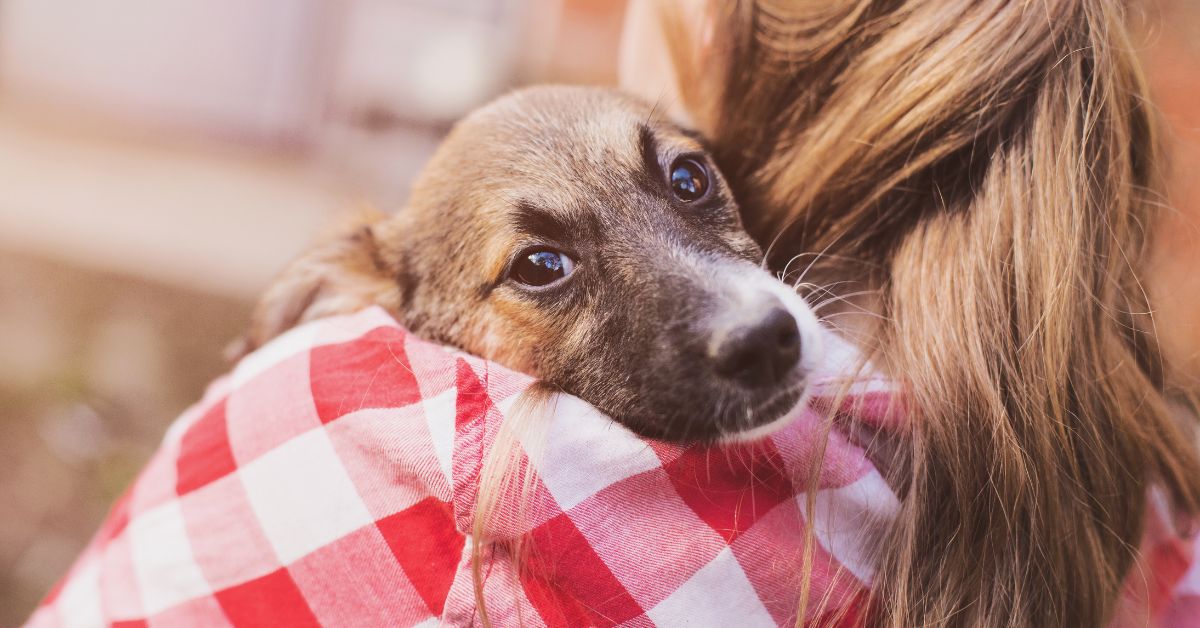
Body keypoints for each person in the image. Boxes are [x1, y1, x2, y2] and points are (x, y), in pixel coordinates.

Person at [29, 1, 1200, 626]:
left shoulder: (357, 452)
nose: (740, 310)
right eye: (540, 267)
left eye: (685, 180)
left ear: (697, 27)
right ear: (392, 302)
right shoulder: (1122, 496)